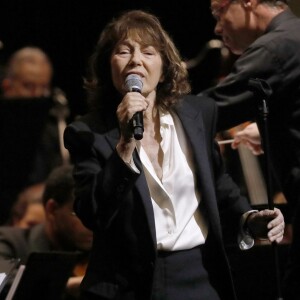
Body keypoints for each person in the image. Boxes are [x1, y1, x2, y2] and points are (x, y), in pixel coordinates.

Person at [63, 9, 284, 300]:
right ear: (108, 66)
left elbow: (217, 185)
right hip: (128, 285)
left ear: (165, 67)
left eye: (148, 52)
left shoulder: (197, 114)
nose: (136, 60)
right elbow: (93, 212)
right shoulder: (86, 133)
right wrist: (126, 144)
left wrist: (250, 218)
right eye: (124, 51)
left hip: (199, 277)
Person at [201, 1, 300, 298]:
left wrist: (160, 113)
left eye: (219, 13)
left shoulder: (276, 48)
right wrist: (272, 129)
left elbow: (209, 111)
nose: (218, 28)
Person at [0, 164, 93, 299]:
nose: (93, 224)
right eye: (83, 213)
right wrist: (64, 285)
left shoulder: (101, 253)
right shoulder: (10, 241)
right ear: (52, 209)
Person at [0, 46, 70, 225]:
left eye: (44, 87)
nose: (38, 95)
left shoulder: (54, 124)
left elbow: (62, 172)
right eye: (29, 87)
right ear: (7, 86)